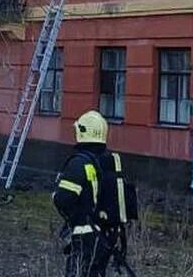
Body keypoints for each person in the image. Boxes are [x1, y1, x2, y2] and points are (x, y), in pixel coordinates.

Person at [52, 110, 132, 277]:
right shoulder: (108, 160)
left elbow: (63, 199)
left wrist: (58, 199)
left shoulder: (79, 162)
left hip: (85, 235)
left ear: (83, 132)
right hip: (107, 234)